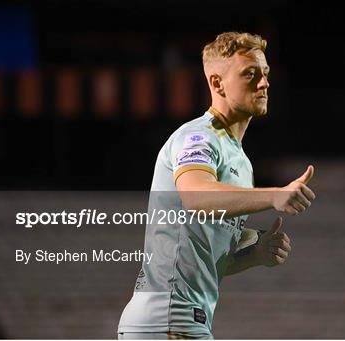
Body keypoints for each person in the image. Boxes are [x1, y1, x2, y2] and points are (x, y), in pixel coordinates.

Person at [118, 31, 315, 339]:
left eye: (265, 74)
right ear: (217, 83)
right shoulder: (198, 137)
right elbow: (195, 195)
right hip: (170, 319)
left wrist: (255, 255)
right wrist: (275, 195)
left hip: (180, 320)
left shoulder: (239, 161)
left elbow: (201, 259)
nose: (264, 83)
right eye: (250, 74)